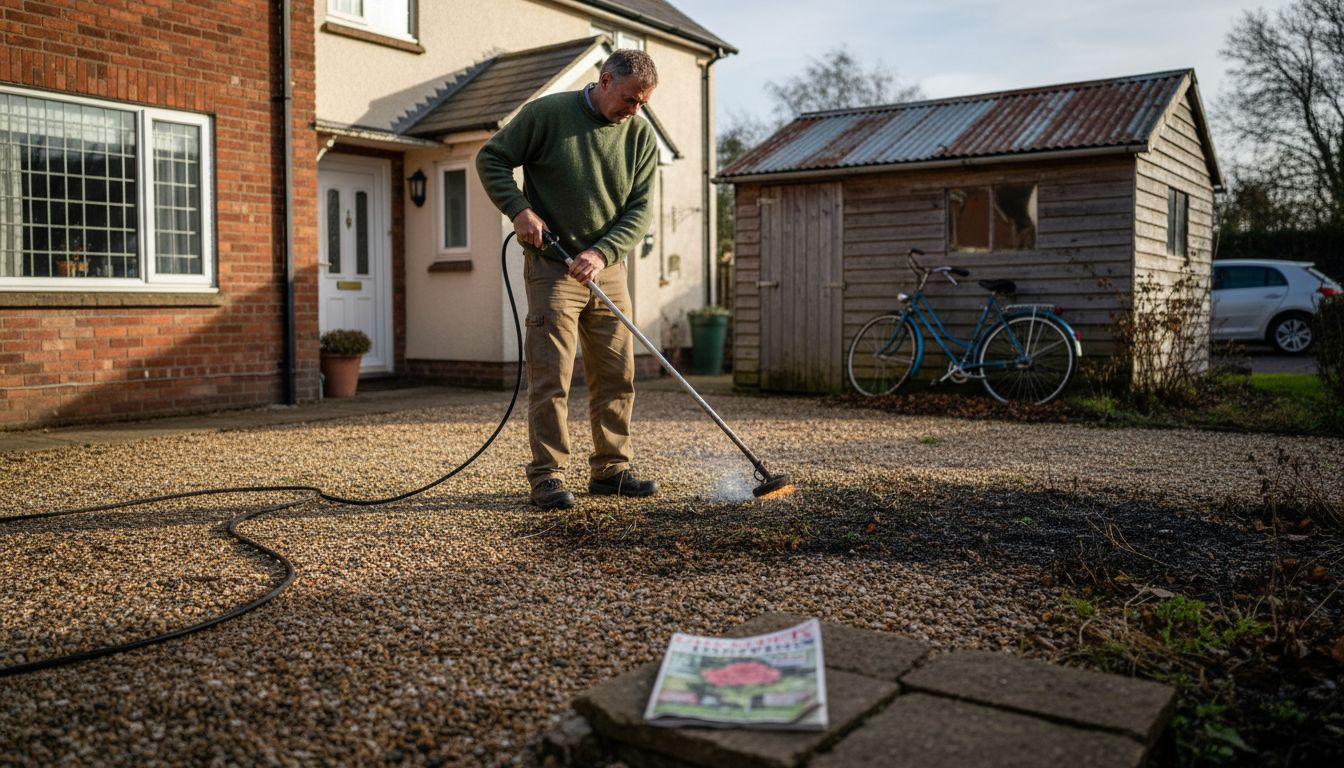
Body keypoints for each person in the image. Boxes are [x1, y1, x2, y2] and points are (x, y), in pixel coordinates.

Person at [476, 49, 660, 510]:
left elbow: (639, 211)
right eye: (629, 99)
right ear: (604, 80)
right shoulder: (548, 115)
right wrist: (519, 210)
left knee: (618, 371)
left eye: (643, 103)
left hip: (607, 266)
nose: (634, 110)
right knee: (551, 374)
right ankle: (547, 475)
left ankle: (612, 470)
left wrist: (602, 252)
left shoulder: (639, 136)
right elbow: (492, 158)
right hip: (552, 265)